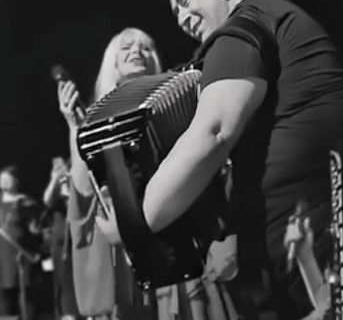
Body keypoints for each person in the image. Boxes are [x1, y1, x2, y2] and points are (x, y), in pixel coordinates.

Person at [95, 0, 343, 320]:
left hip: (309, 233)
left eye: (186, 1)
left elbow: (214, 131)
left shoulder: (244, 26)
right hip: (311, 226)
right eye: (176, 13)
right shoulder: (267, 18)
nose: (183, 18)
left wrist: (134, 224)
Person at [57, 27, 238, 320]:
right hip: (129, 257)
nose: (137, 51)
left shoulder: (179, 92)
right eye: (127, 47)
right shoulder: (98, 117)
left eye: (145, 46)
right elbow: (85, 193)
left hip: (184, 238)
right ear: (113, 62)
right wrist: (74, 127)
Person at [0, 165, 42, 320]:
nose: (4, 182)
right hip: (2, 257)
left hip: (21, 255)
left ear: (16, 181)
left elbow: (34, 229)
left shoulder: (26, 202)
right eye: (2, 179)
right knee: (5, 297)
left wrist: (35, 232)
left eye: (8, 179)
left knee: (26, 298)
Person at [42, 156, 82, 320]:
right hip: (61, 240)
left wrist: (69, 187)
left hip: (79, 236)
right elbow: (47, 201)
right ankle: (68, 313)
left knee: (79, 278)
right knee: (64, 279)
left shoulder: (78, 183)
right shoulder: (57, 189)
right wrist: (55, 179)